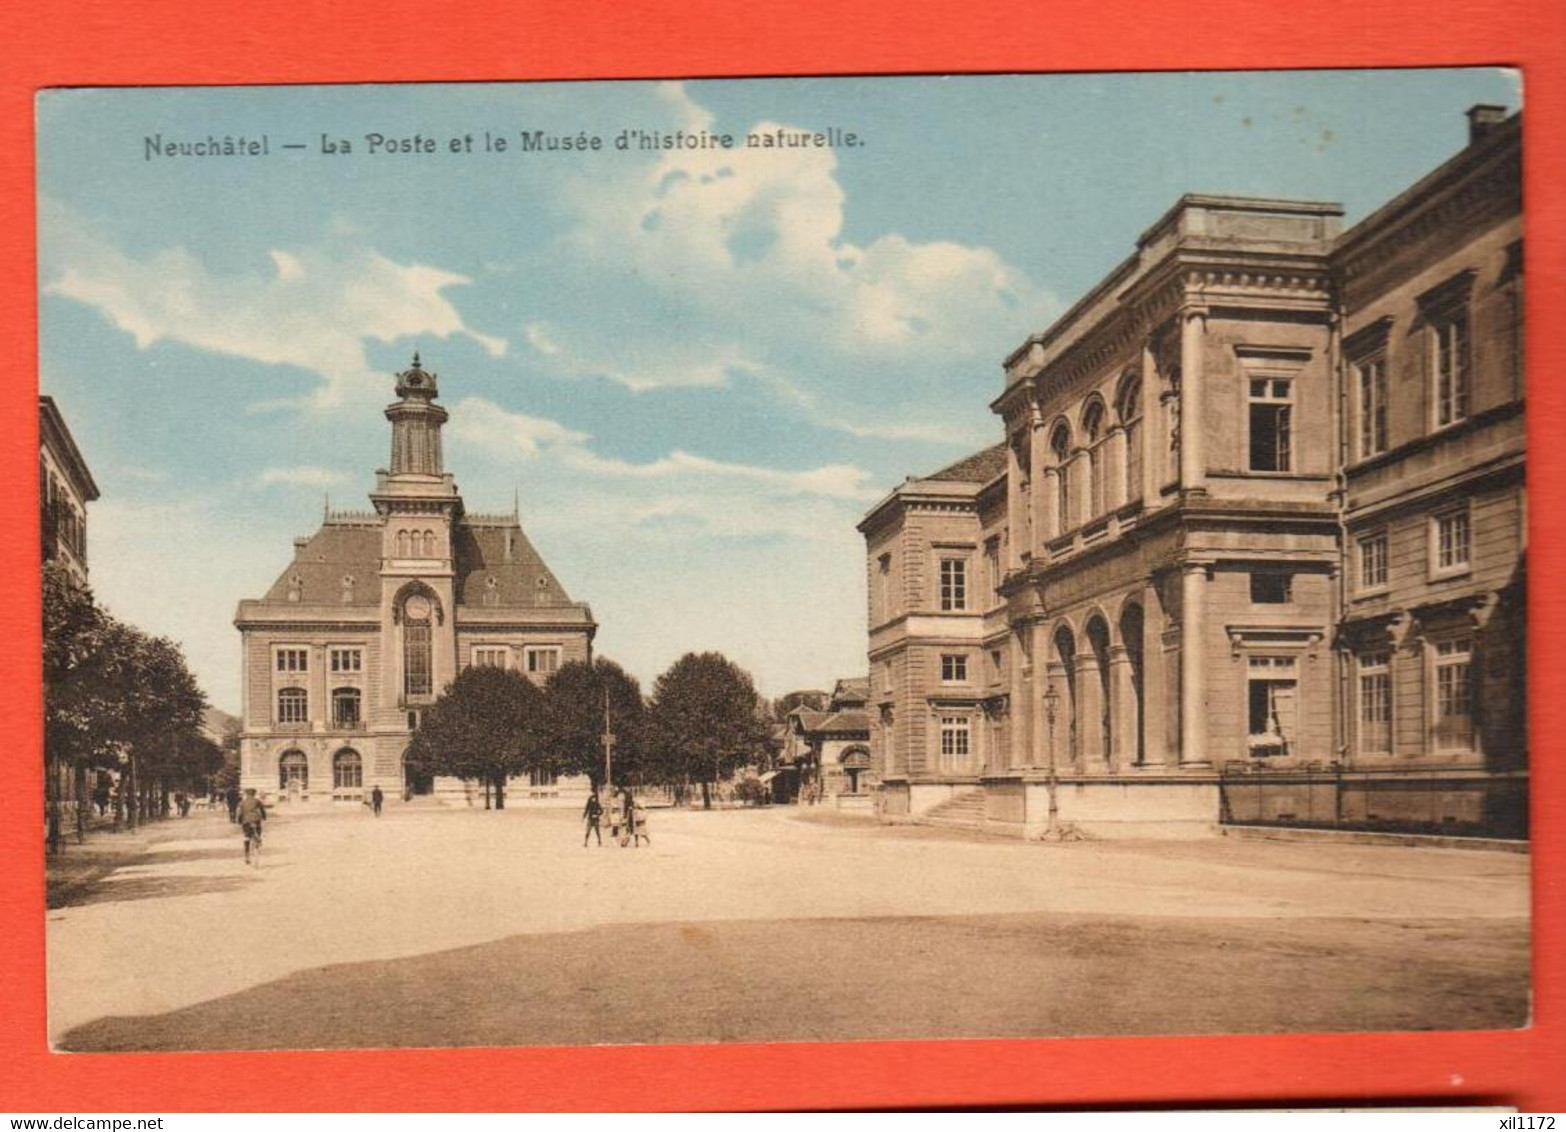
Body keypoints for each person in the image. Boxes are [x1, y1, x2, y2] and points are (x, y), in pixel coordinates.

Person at [236, 788, 267, 866]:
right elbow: (262, 810)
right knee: (258, 832)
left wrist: (239, 821)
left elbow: (240, 813)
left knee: (246, 837)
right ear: (254, 794)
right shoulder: (257, 801)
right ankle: (258, 840)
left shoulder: (242, 802)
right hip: (256, 819)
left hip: (246, 821)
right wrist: (264, 817)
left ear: (246, 794)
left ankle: (247, 855)